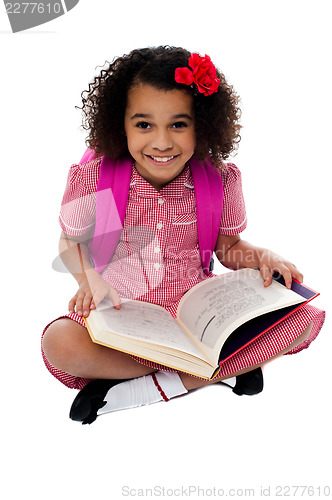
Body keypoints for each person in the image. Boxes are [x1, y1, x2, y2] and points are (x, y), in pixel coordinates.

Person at [42, 46, 325, 424]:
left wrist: (260, 257)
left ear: (203, 125)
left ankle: (147, 386)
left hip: (197, 308)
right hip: (124, 310)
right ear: (119, 124)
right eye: (144, 125)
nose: (161, 142)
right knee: (59, 343)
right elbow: (70, 241)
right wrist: (89, 278)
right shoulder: (99, 181)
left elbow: (228, 248)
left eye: (178, 124)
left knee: (302, 319)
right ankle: (219, 370)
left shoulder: (218, 180)